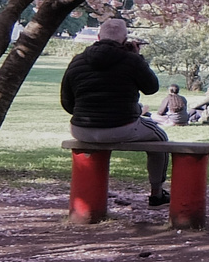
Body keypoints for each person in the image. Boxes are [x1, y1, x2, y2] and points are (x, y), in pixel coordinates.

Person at [60, 19, 171, 207]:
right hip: (122, 127)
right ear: (125, 39)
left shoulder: (77, 60)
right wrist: (138, 57)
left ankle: (91, 193)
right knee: (160, 138)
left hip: (81, 128)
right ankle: (157, 193)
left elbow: (67, 102)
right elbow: (151, 88)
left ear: (98, 37)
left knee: (100, 139)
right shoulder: (132, 60)